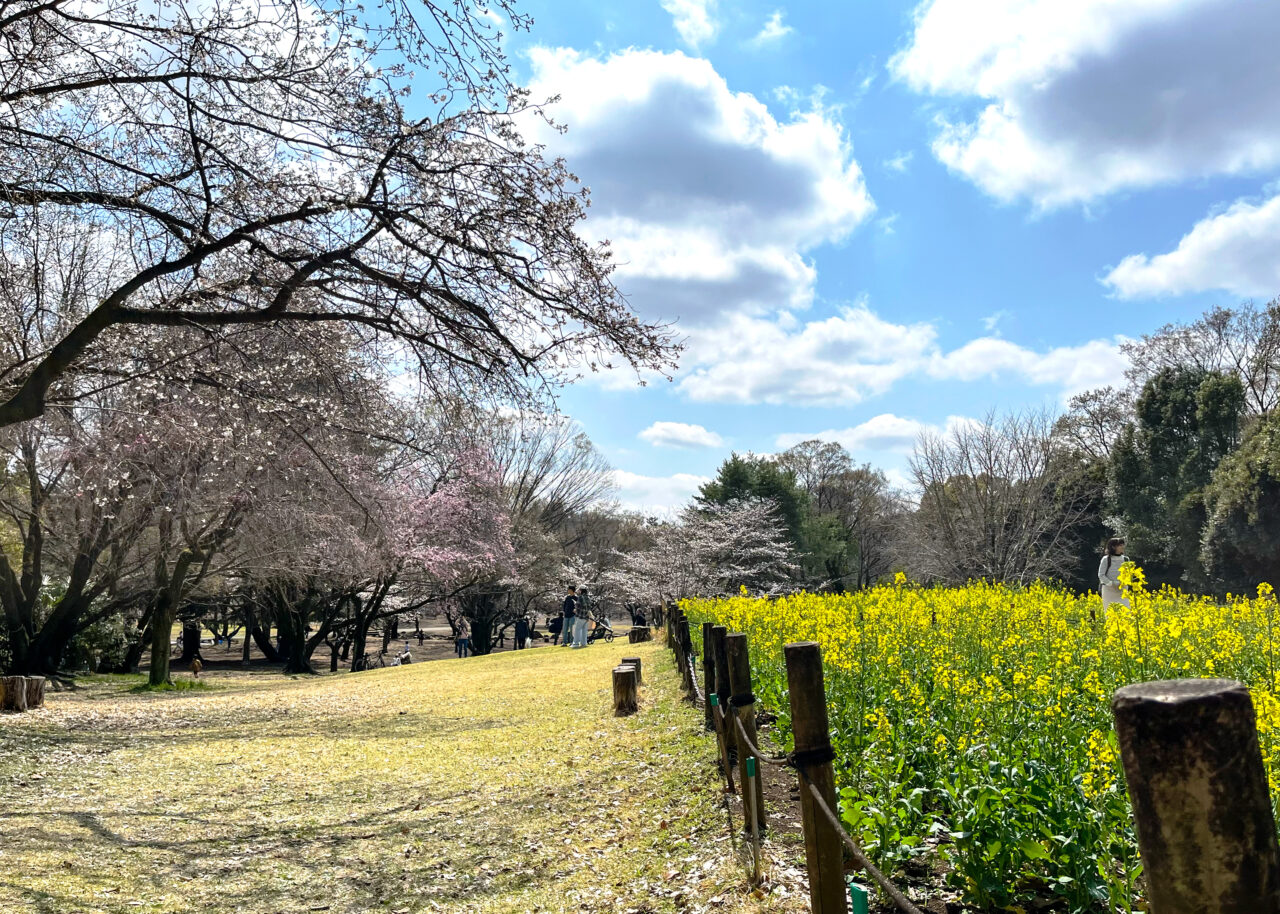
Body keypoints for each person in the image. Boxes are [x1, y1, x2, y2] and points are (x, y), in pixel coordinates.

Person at [1098, 537, 1130, 614]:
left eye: (1123, 544)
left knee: (1126, 613)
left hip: (1122, 590)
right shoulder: (1106, 559)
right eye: (1120, 545)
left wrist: (1124, 583)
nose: (1123, 547)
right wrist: (1111, 583)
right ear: (1113, 547)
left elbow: (1128, 574)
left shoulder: (1126, 559)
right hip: (1109, 590)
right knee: (1111, 614)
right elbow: (1101, 575)